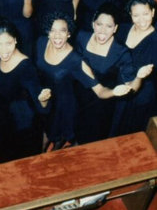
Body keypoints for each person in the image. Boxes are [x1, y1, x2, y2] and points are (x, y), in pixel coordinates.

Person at [36, 12, 131, 150]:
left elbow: (100, 91)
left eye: (62, 31)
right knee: (41, 139)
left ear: (69, 34)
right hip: (45, 98)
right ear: (47, 32)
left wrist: (114, 92)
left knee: (56, 140)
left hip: (63, 106)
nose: (57, 35)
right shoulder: (41, 42)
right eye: (52, 30)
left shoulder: (75, 61)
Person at [75, 3, 152, 143]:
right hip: (78, 94)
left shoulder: (121, 52)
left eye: (109, 26)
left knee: (93, 140)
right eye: (99, 24)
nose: (103, 30)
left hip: (101, 103)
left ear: (115, 28)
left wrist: (139, 77)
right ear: (93, 24)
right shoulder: (81, 37)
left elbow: (131, 87)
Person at [0, 18, 51, 163]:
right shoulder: (1, 58)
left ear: (16, 41)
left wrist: (44, 100)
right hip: (6, 121)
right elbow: (1, 87)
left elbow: (43, 109)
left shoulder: (26, 68)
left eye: (8, 43)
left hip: (25, 128)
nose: (4, 50)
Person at [114, 0, 157, 135]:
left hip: (142, 96)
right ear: (130, 15)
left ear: (153, 12)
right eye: (136, 15)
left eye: (145, 14)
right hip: (119, 86)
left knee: (132, 134)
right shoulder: (123, 29)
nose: (141, 20)